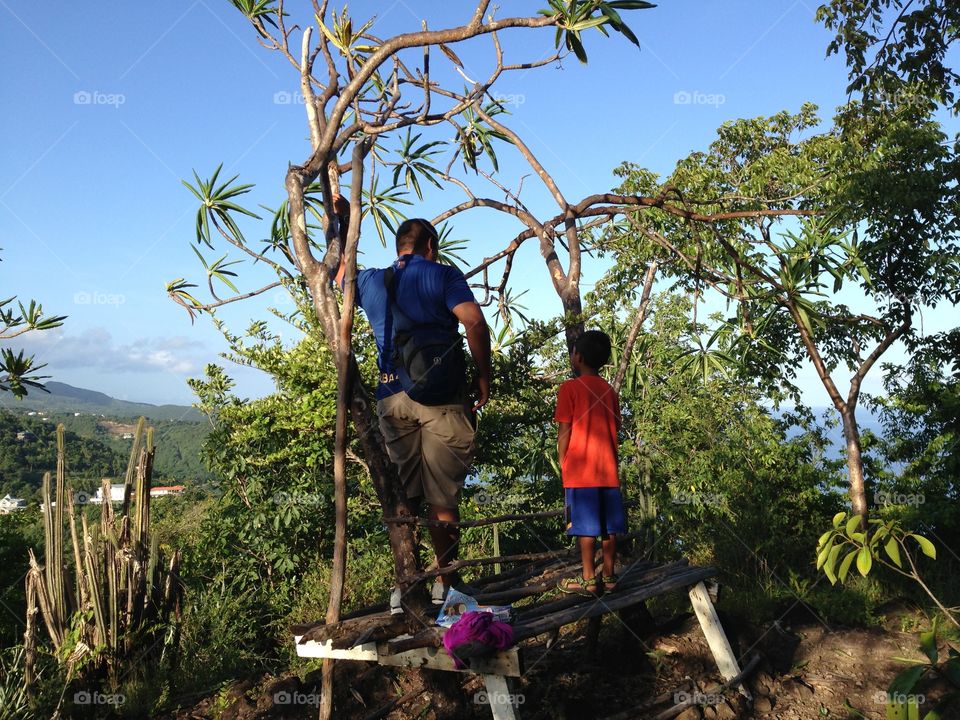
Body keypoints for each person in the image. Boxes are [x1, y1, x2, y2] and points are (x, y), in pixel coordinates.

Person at [334, 202, 492, 611]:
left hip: (393, 398)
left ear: (399, 246)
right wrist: (483, 375)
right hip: (444, 399)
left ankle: (406, 583)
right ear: (431, 247)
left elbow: (337, 271)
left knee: (403, 495)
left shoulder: (373, 281)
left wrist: (342, 222)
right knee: (443, 497)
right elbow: (474, 322)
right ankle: (447, 583)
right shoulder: (444, 275)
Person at [554, 330, 626, 596]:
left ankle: (588, 580)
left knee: (585, 528)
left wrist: (562, 460)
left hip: (580, 471)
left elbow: (564, 430)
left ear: (579, 357)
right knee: (609, 526)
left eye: (573, 352)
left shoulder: (569, 389)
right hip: (607, 469)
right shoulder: (609, 391)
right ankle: (609, 576)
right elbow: (616, 425)